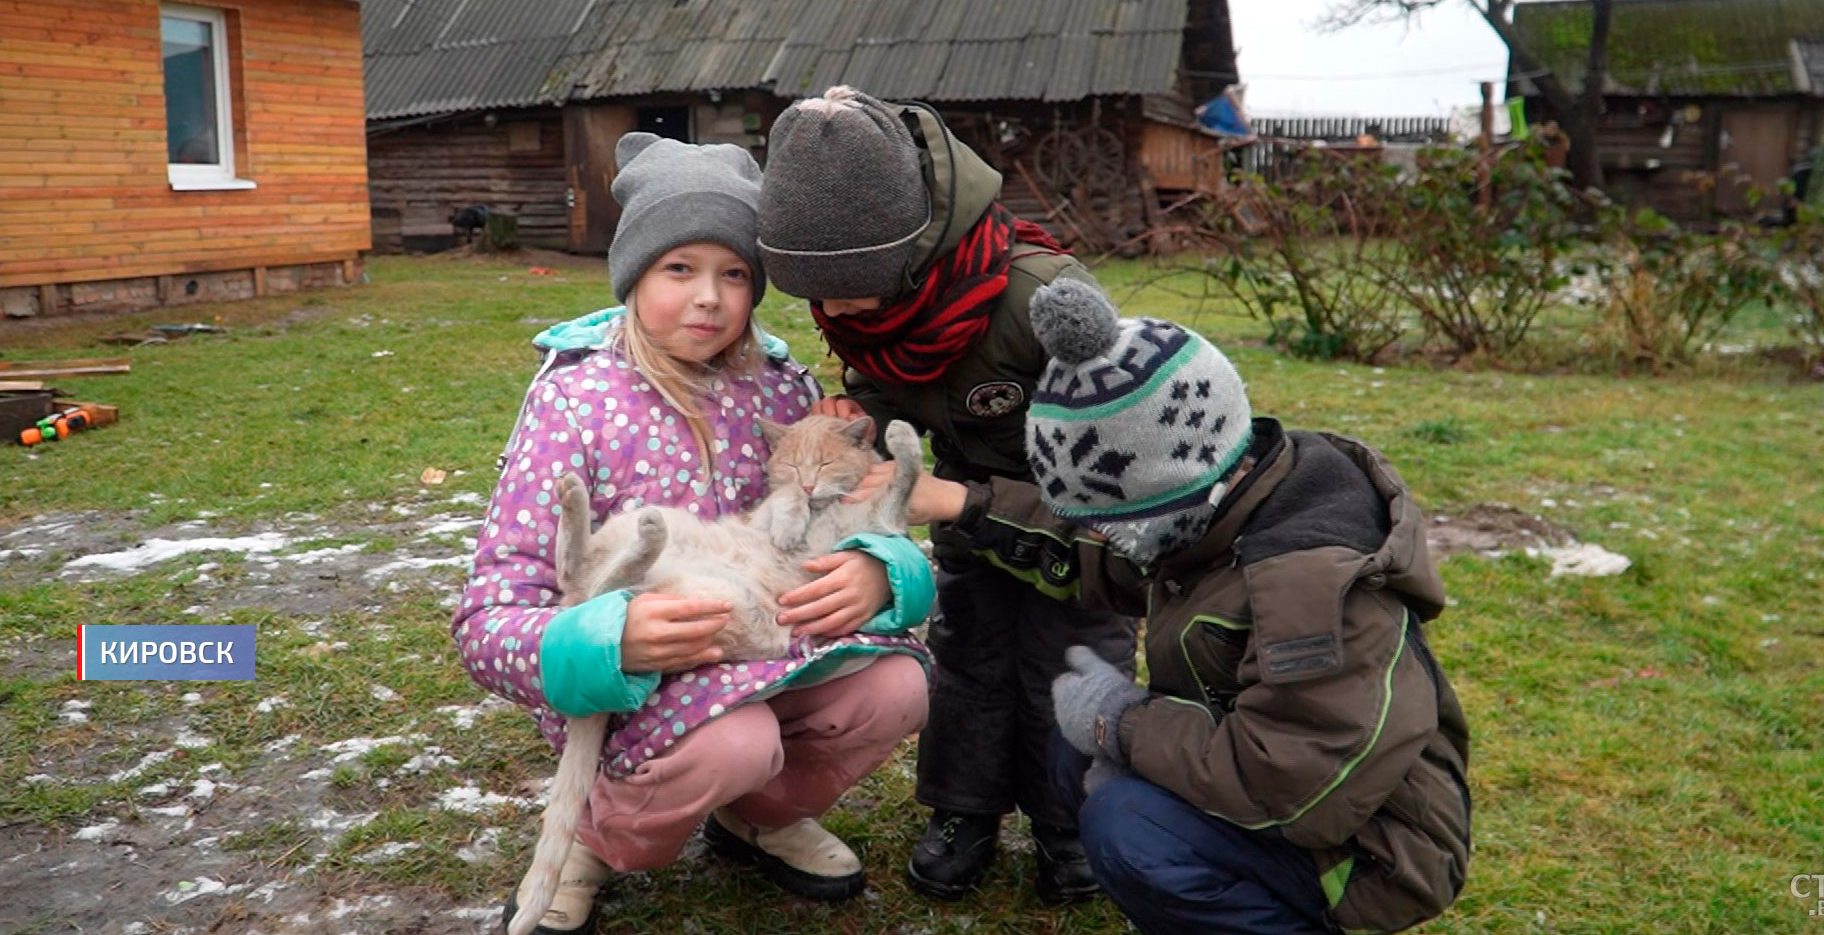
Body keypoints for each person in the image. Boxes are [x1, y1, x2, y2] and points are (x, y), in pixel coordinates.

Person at [453, 133, 934, 935]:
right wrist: (611, 638)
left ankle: (759, 816)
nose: (709, 297)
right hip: (637, 684)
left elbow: (836, 519)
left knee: (898, 687)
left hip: (766, 645)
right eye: (679, 268)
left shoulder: (781, 392)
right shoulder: (575, 401)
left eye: (734, 272)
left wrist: (883, 572)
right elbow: (489, 616)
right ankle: (594, 838)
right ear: (634, 273)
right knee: (734, 741)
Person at [902, 277, 1473, 935]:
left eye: (1109, 519)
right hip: (1278, 783)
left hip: (1368, 848)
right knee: (1074, 750)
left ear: (1168, 492)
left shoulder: (1310, 591)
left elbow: (1291, 785)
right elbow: (1099, 550)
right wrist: (964, 505)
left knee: (1127, 826)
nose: (1099, 536)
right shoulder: (1225, 498)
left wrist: (1121, 719)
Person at [753, 86, 1136, 903]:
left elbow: (1125, 477)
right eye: (814, 293)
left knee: (1071, 663)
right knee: (970, 657)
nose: (835, 310)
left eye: (854, 284)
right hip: (967, 521)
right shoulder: (874, 307)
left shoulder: (1043, 301)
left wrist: (960, 499)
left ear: (911, 249)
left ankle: (1070, 822)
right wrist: (866, 413)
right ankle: (964, 810)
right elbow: (901, 385)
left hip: (1079, 536)